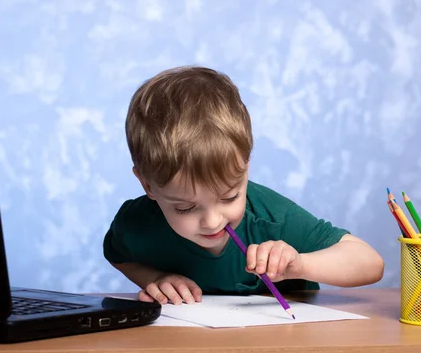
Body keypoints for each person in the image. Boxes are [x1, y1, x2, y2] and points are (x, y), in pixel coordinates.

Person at [103, 66, 384, 305]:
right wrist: (156, 279)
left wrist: (300, 264)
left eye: (229, 197)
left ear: (245, 166)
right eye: (185, 207)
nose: (212, 221)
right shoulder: (136, 223)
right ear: (147, 186)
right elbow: (119, 256)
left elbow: (370, 263)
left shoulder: (273, 218)